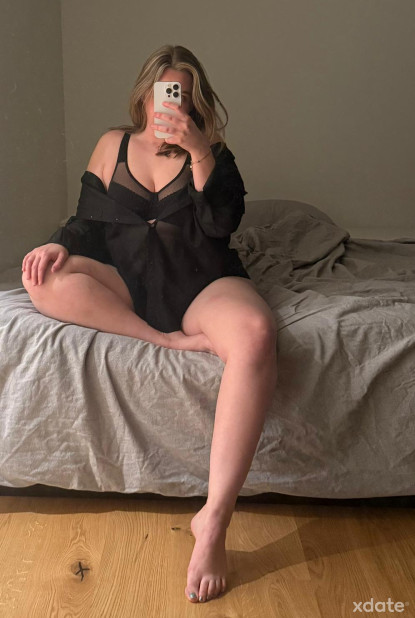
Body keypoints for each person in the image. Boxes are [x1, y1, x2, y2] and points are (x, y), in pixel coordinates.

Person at [21, 44, 278, 604]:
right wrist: (57, 244)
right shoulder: (112, 145)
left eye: (182, 94)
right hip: (125, 283)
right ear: (144, 95)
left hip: (199, 283)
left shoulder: (213, 152)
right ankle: (162, 340)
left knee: (256, 334)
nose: (171, 103)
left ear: (196, 100)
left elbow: (222, 225)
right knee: (41, 280)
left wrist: (200, 151)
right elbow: (87, 223)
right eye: (164, 91)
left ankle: (214, 518)